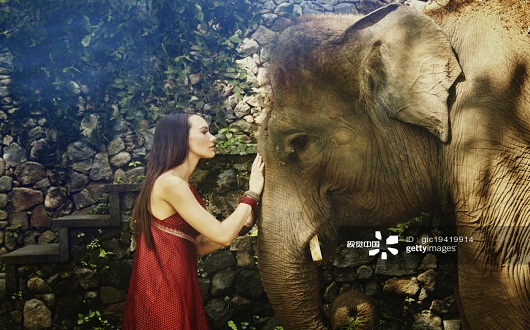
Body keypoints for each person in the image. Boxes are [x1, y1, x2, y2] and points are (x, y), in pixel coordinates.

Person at [122, 112, 264, 330]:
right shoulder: (170, 183)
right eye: (204, 132)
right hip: (164, 290)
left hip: (177, 285)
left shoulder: (180, 184)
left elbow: (199, 245)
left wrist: (243, 226)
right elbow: (223, 235)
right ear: (179, 138)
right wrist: (252, 194)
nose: (213, 138)